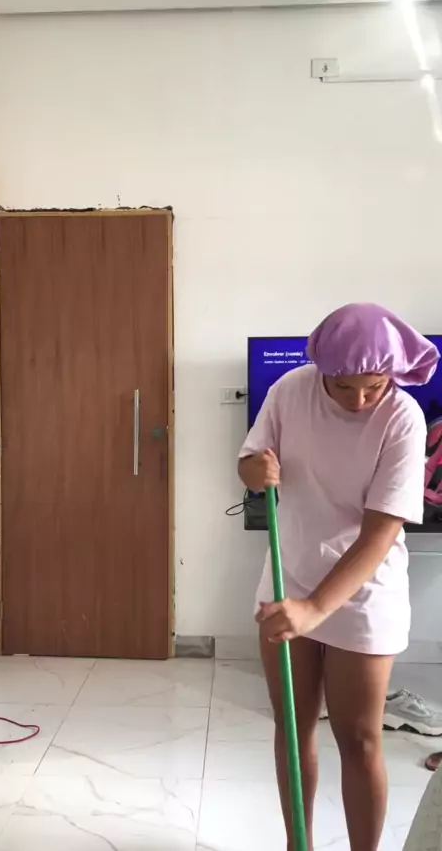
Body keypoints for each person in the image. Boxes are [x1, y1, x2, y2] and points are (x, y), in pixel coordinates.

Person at [238, 303, 440, 851]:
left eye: (373, 386)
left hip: (364, 590)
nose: (359, 400)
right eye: (344, 386)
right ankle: (296, 845)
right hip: (290, 578)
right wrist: (255, 471)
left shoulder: (402, 417)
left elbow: (379, 533)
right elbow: (250, 463)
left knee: (360, 738)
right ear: (322, 368)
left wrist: (315, 609)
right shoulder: (290, 390)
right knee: (293, 726)